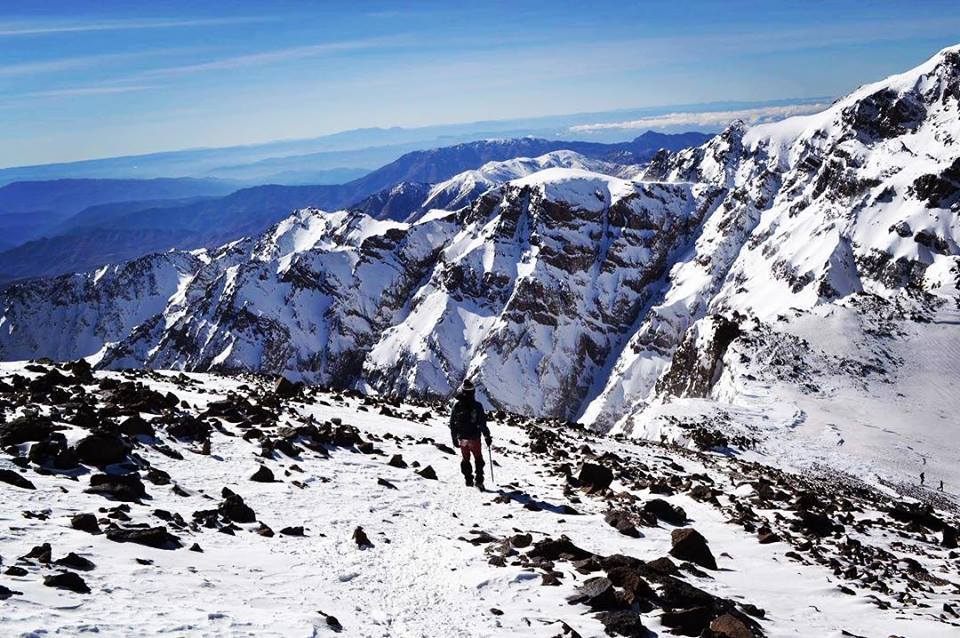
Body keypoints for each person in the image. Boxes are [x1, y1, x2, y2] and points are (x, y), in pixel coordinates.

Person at [449, 380, 492, 490]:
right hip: (474, 438)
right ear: (473, 392)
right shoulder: (477, 406)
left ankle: (468, 479)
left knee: (465, 458)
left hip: (462, 437)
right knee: (478, 458)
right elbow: (482, 423)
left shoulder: (457, 405)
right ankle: (479, 480)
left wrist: (454, 438)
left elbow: (452, 423)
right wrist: (487, 436)